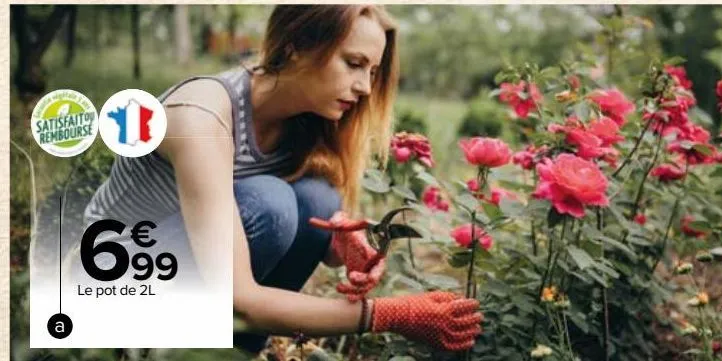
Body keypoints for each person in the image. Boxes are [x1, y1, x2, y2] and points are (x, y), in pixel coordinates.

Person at [80, 5, 482, 354]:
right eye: (354, 63)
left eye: (373, 71)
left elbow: (315, 239)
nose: (364, 87)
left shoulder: (303, 123)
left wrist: (343, 244)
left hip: (179, 275)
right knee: (271, 203)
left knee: (319, 200)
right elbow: (241, 298)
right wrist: (390, 314)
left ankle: (230, 354)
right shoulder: (202, 117)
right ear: (295, 47)